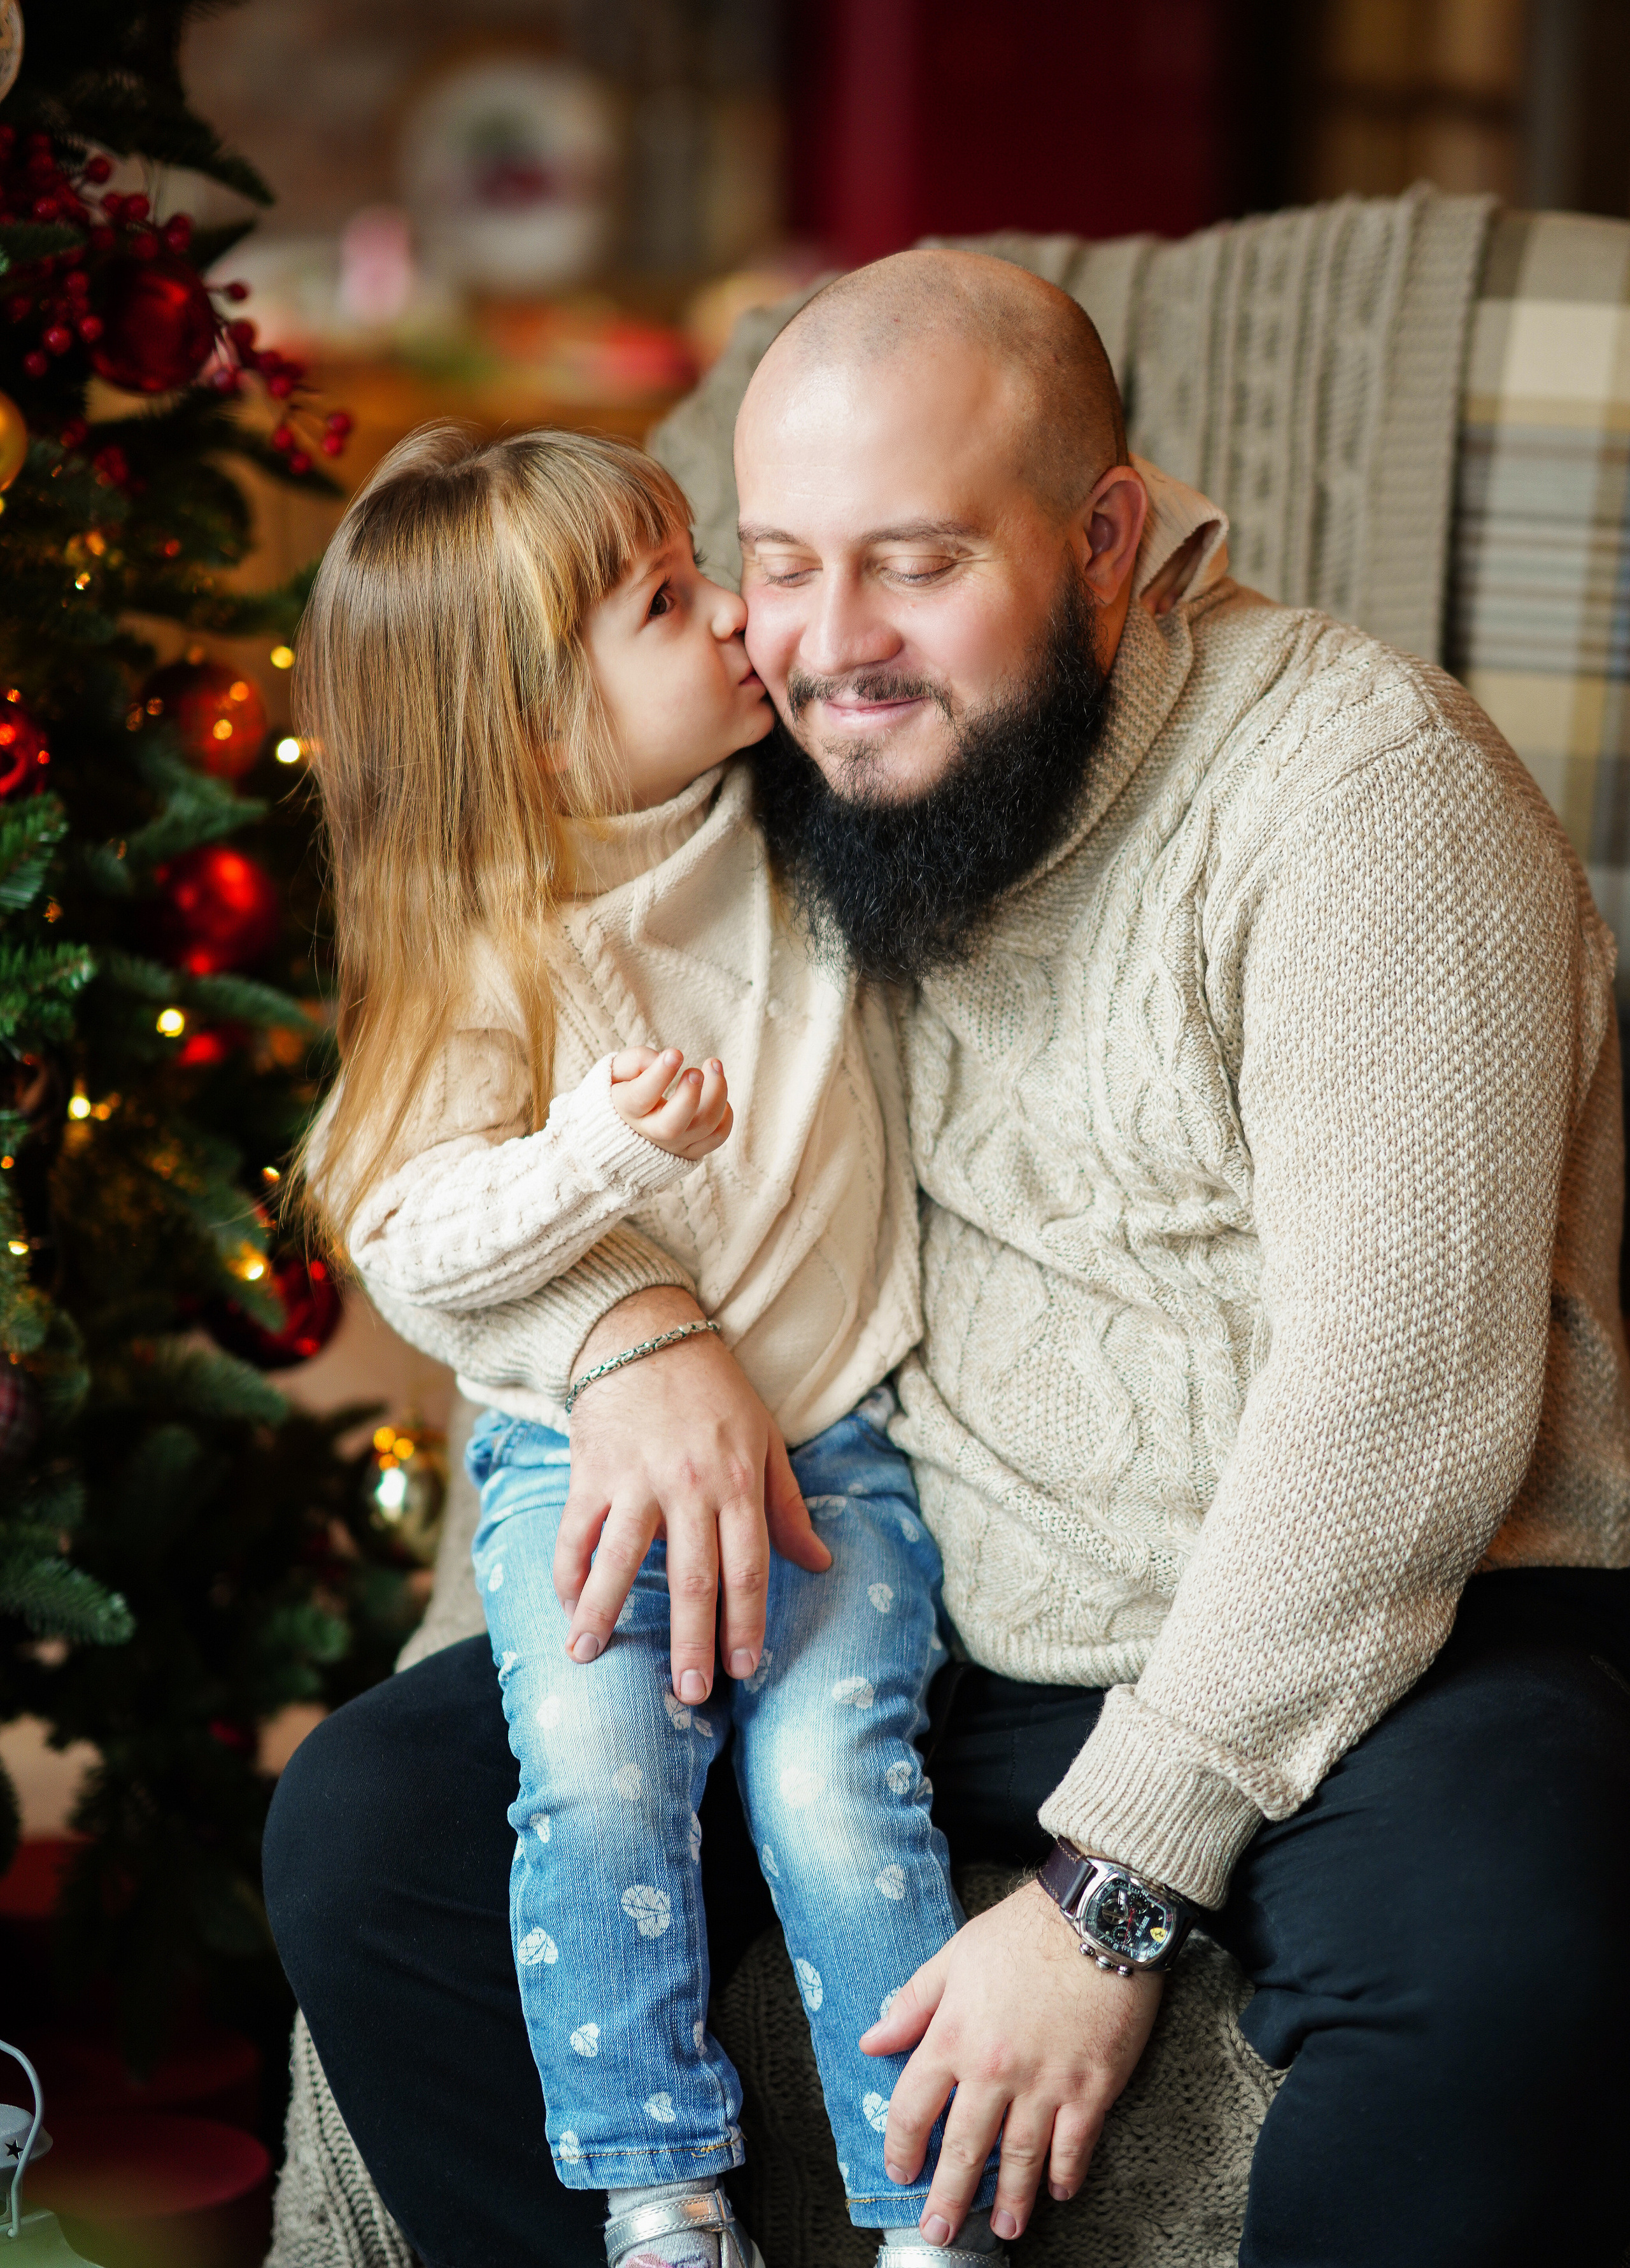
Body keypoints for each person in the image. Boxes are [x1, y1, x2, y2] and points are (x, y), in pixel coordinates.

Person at [266, 255, 1630, 2268]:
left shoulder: (1362, 805)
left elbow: (1399, 1409)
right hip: (943, 1583)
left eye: (911, 563)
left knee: (1510, 1947)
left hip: (1408, 1631)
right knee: (371, 1827)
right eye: (780, 564)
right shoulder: (798, 766)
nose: (824, 646)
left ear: (1108, 540)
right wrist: (632, 1324)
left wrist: (1109, 1890)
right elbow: (447, 1106)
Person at [290, 422, 1014, 2268]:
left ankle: (926, 2210)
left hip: (839, 1439)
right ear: (537, 730)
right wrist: (596, 1160)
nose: (735, 625)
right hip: (572, 1455)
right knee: (603, 1764)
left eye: (708, 571)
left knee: (828, 1772)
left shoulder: (799, 825)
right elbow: (408, 1228)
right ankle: (655, 2189)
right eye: (669, 602)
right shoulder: (488, 947)